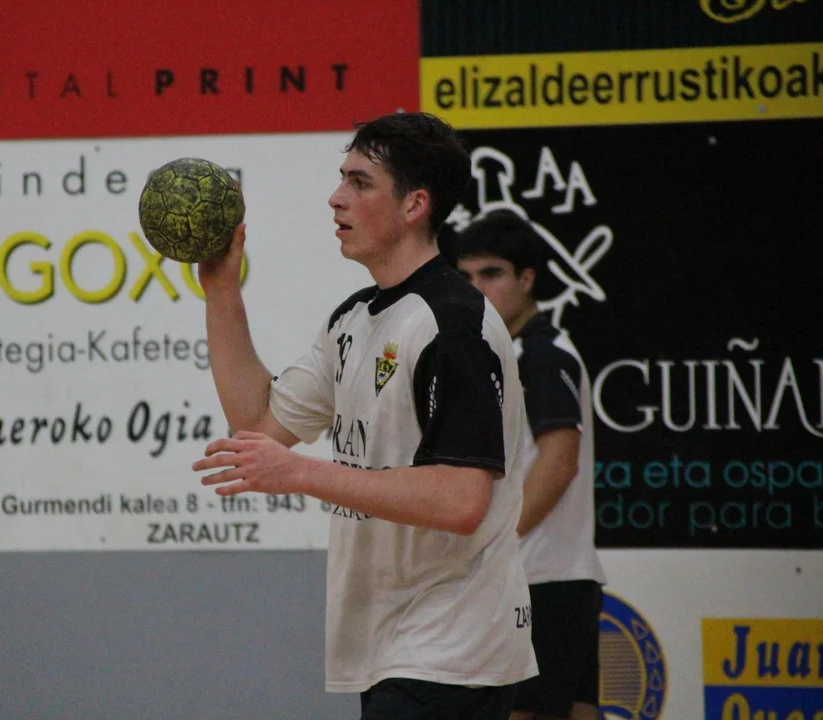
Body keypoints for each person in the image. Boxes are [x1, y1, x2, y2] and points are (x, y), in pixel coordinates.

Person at [191, 112, 537, 719]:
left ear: (414, 205)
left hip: (451, 646)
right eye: (341, 178)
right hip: (395, 643)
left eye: (359, 182)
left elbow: (461, 499)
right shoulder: (354, 318)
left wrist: (302, 473)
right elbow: (258, 426)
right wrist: (222, 290)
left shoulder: (453, 322)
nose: (336, 197)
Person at [440, 208, 606, 720]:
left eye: (491, 274)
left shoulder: (541, 354)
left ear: (527, 278)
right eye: (466, 276)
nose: (477, 289)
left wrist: (498, 542)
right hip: (559, 579)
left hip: (539, 580)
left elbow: (559, 460)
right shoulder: (515, 352)